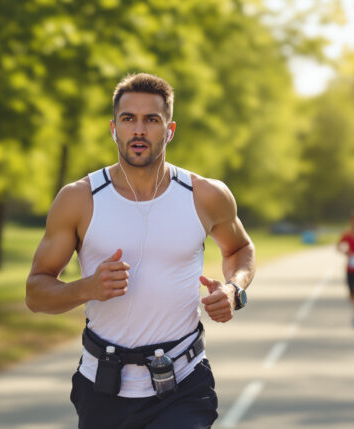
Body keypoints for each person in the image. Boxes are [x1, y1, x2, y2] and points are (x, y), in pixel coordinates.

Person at [25, 73, 255, 429]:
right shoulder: (79, 199)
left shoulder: (205, 195)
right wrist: (86, 288)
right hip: (103, 389)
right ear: (113, 128)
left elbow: (240, 249)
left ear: (170, 130)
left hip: (183, 385)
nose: (139, 129)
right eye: (128, 118)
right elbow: (35, 293)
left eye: (152, 120)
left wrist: (233, 289)